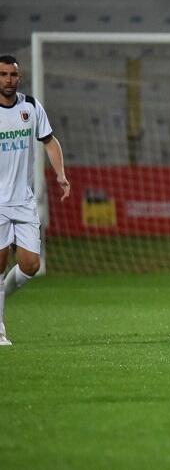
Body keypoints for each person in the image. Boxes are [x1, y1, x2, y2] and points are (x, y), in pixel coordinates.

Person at [0, 55, 71, 346]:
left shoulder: (30, 106)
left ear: (20, 76)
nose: (8, 80)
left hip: (25, 201)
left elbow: (49, 140)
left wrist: (61, 175)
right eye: (3, 74)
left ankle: (3, 295)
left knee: (30, 265)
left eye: (13, 75)